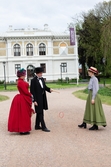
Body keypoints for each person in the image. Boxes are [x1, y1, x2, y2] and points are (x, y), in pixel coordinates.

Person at [8, 68, 34, 135]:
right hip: (22, 99)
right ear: (21, 75)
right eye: (24, 75)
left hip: (23, 98)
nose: (25, 76)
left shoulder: (21, 81)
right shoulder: (20, 82)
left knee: (23, 114)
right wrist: (31, 95)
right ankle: (23, 130)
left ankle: (24, 129)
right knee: (23, 114)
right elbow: (25, 92)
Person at [30, 67, 53, 132]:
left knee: (39, 111)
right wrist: (34, 100)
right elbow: (32, 91)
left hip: (42, 98)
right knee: (40, 112)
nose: (41, 74)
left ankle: (37, 125)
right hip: (37, 99)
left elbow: (44, 87)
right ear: (37, 73)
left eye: (41, 73)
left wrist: (49, 89)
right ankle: (43, 126)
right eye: (40, 73)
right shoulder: (33, 80)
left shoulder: (42, 79)